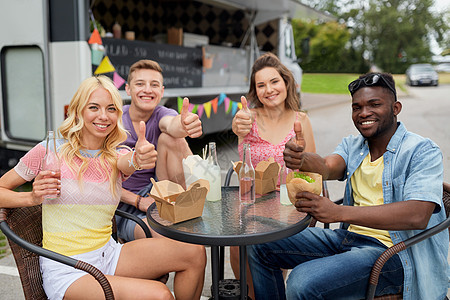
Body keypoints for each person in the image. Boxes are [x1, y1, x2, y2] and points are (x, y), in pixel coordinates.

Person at [0, 76, 206, 300]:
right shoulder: (50, 151)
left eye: (111, 109)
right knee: (160, 294)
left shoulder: (115, 155)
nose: (103, 116)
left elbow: (130, 161)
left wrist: (140, 156)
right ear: (78, 111)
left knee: (194, 252)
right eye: (94, 107)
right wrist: (31, 198)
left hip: (109, 254)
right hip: (68, 268)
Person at [248, 72, 448, 299]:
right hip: (348, 239)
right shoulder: (354, 145)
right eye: (357, 107)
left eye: (374, 105)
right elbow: (325, 166)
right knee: (260, 242)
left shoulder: (422, 150)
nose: (364, 113)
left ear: (396, 108)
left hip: (392, 253)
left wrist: (338, 212)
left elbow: (417, 215)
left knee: (302, 282)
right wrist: (302, 159)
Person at [231, 52, 316, 299]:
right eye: (261, 85)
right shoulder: (248, 118)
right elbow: (239, 129)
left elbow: (312, 170)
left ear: (286, 82)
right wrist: (237, 127)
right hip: (252, 200)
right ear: (254, 91)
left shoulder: (302, 120)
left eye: (274, 81)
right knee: (238, 245)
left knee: (267, 246)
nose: (269, 89)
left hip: (289, 203)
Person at [116, 59, 203, 241]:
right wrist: (139, 201)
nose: (148, 89)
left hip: (157, 193)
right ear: (128, 89)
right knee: (174, 240)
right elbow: (98, 179)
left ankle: (187, 204)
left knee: (172, 138)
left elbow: (172, 125)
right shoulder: (114, 120)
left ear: (161, 91)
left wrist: (185, 124)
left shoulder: (162, 113)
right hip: (124, 207)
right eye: (140, 84)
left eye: (154, 85)